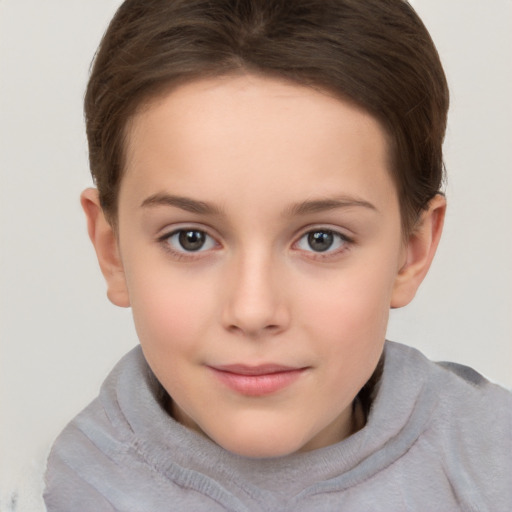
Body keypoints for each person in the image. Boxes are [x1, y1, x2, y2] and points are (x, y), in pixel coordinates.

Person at [43, 0, 512, 510]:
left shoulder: (493, 460)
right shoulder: (82, 486)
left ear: (411, 251)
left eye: (321, 240)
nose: (253, 310)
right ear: (112, 251)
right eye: (191, 238)